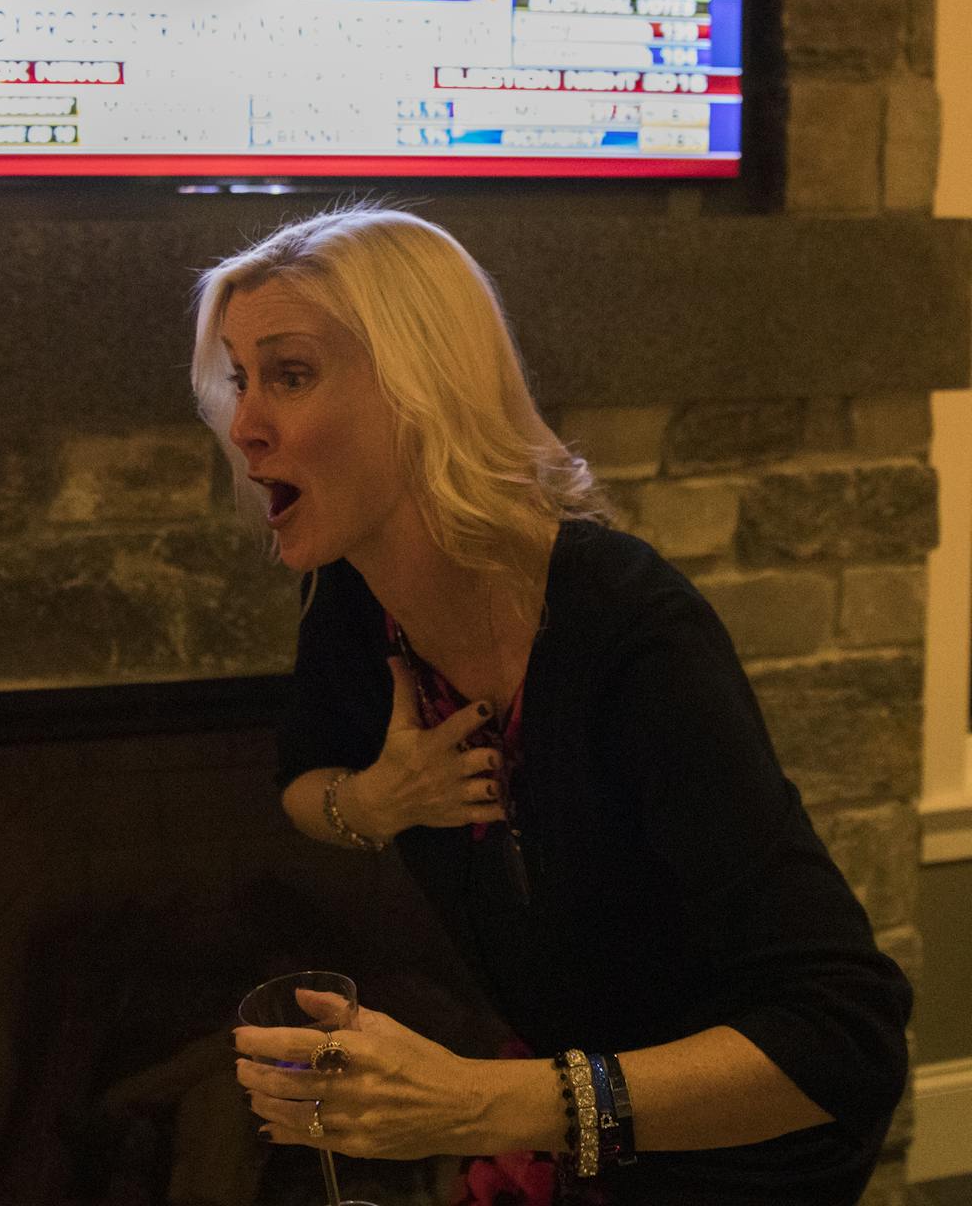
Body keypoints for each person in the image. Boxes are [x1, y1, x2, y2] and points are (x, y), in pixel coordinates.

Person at [193, 205, 911, 1205]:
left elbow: (848, 1038)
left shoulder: (630, 630)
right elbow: (300, 784)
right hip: (570, 1119)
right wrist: (381, 798)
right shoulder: (355, 601)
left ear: (422, 387)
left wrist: (478, 1104)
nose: (246, 424)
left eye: (292, 373)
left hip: (732, 1155)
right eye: (239, 379)